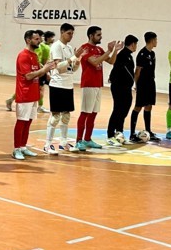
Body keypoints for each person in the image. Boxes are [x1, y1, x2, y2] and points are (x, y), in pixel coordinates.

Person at [13, 30, 57, 159]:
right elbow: (28, 76)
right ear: (28, 40)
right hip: (24, 94)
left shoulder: (34, 55)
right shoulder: (23, 55)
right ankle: (16, 149)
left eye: (39, 39)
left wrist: (47, 70)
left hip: (33, 94)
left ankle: (23, 146)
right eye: (36, 39)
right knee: (21, 121)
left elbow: (38, 72)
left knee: (28, 122)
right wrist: (44, 69)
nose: (39, 41)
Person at [76, 25, 121, 150]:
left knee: (93, 113)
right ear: (91, 35)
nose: (101, 37)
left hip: (97, 84)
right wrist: (108, 51)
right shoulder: (85, 48)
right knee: (85, 113)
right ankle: (79, 141)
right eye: (98, 35)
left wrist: (115, 51)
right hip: (88, 84)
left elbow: (111, 61)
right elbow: (95, 62)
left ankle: (88, 139)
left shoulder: (99, 49)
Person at [44, 23, 80, 155]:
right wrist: (73, 57)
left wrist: (77, 62)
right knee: (55, 116)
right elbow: (59, 67)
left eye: (72, 33)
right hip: (57, 84)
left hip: (68, 84)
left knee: (66, 116)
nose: (71, 36)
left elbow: (71, 69)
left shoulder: (69, 48)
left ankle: (63, 142)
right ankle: (47, 144)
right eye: (69, 33)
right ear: (62, 32)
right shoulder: (56, 46)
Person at [107, 34, 138, 144]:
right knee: (118, 110)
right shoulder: (123, 54)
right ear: (133, 44)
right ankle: (110, 134)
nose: (136, 47)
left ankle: (119, 132)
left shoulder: (129, 55)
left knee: (124, 110)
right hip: (119, 86)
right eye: (136, 44)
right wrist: (112, 78)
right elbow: (116, 67)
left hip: (126, 87)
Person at [130, 32, 159, 141]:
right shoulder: (142, 54)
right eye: (156, 40)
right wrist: (136, 84)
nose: (157, 42)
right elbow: (137, 71)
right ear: (152, 40)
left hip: (151, 82)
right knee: (138, 106)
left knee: (149, 106)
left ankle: (148, 131)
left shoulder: (153, 54)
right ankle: (132, 133)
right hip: (143, 83)